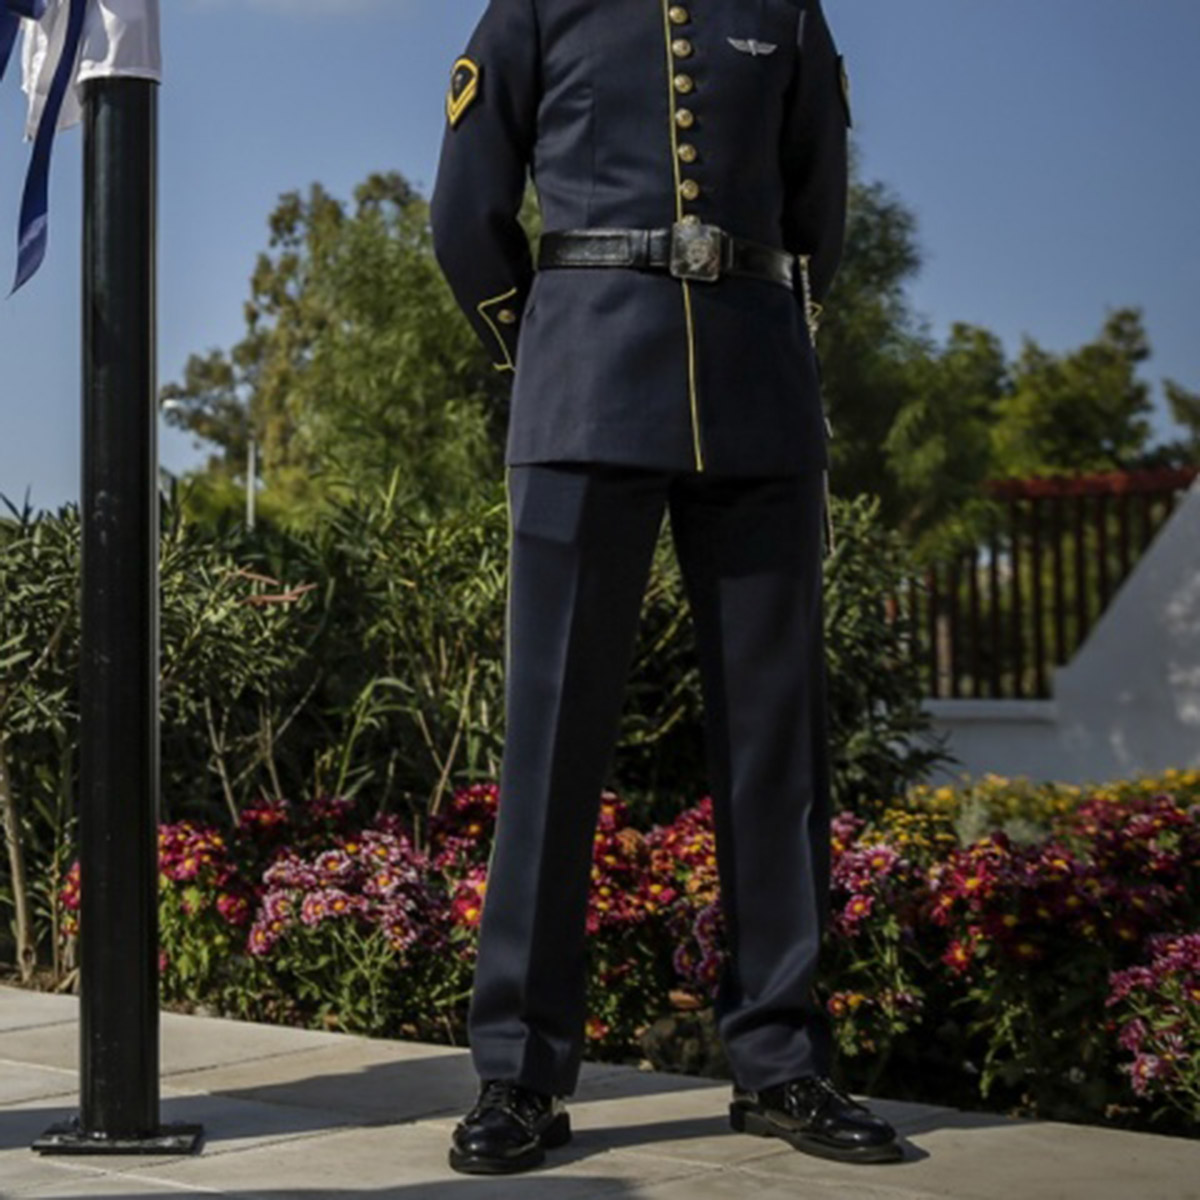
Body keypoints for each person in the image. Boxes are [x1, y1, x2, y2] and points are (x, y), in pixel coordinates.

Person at [430, 0, 903, 1175]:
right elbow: (467, 208)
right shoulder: (538, 8)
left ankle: (783, 1062)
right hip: (585, 388)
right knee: (551, 747)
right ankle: (519, 1075)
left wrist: (764, 326)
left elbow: (818, 209)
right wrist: (547, 345)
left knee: (775, 751)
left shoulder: (786, 12)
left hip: (757, 395)